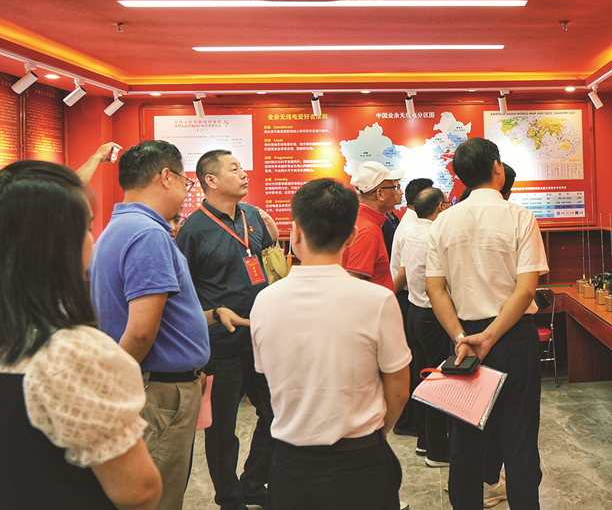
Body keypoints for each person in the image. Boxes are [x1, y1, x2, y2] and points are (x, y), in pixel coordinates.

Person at [0, 160, 162, 510]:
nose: (93, 239)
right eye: (88, 227)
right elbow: (139, 490)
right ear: (57, 244)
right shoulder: (69, 352)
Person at [251, 178, 411, 510]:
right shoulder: (378, 300)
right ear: (351, 235)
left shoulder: (264, 301)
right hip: (362, 461)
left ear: (295, 232)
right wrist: (376, 432)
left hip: (291, 465)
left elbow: (269, 376)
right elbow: (398, 391)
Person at [89, 140, 226, 510]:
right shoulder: (148, 234)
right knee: (159, 497)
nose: (186, 191)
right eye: (186, 181)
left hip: (154, 384)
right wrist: (116, 383)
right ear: (166, 177)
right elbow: (140, 330)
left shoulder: (118, 227)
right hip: (159, 391)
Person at [427, 137, 550, 510]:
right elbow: (526, 290)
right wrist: (491, 336)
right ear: (497, 168)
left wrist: (462, 337)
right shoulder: (519, 217)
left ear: (461, 176)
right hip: (512, 338)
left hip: (463, 342)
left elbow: (435, 289)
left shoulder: (443, 222)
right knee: (519, 439)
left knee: (465, 442)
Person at [176, 149, 277, 510]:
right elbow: (182, 295)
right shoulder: (193, 231)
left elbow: (266, 262)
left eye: (242, 168)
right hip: (221, 345)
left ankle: (253, 483)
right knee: (222, 430)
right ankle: (230, 499)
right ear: (211, 180)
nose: (244, 174)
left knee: (276, 415)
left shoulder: (253, 216)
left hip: (261, 338)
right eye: (234, 169)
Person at [394, 186, 451, 466]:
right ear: (440, 207)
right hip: (432, 314)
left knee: (420, 379)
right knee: (437, 382)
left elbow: (404, 273)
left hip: (414, 312)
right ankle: (437, 451)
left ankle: (424, 441)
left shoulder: (411, 232)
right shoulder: (435, 235)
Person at [343, 161, 405, 291]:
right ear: (380, 194)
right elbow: (353, 284)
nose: (398, 192)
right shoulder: (368, 230)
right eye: (394, 188)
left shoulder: (362, 221)